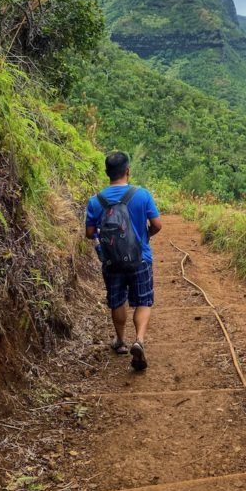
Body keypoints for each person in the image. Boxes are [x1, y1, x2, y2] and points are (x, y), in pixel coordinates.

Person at [85, 151, 162, 371]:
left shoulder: (96, 201)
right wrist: (144, 237)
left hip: (112, 261)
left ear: (107, 172)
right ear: (127, 171)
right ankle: (139, 339)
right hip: (140, 259)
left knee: (118, 301)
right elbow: (157, 225)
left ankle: (120, 341)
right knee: (143, 301)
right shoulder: (142, 195)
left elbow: (90, 232)